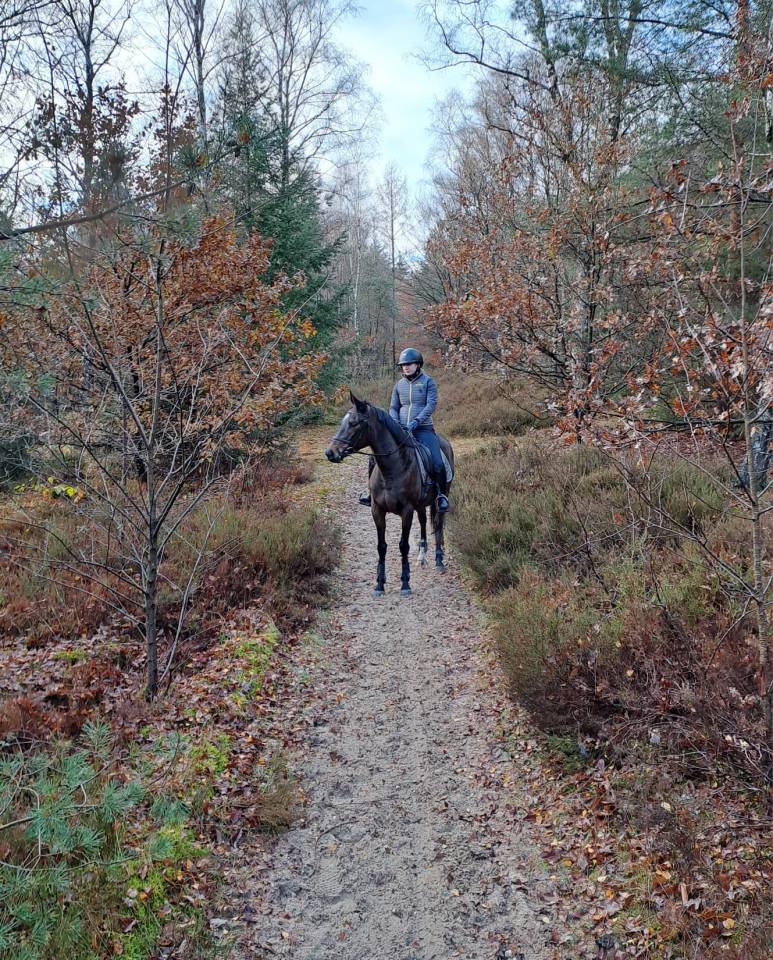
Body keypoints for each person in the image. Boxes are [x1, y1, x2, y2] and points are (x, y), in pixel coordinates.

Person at [358, 347, 449, 512]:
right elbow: (393, 407)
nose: (406, 367)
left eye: (409, 364)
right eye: (403, 365)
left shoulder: (428, 382)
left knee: (437, 462)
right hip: (400, 430)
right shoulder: (399, 385)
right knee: (374, 457)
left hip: (423, 429)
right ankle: (371, 493)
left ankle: (441, 496)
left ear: (418, 364)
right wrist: (395, 423)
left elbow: (430, 405)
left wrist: (416, 421)